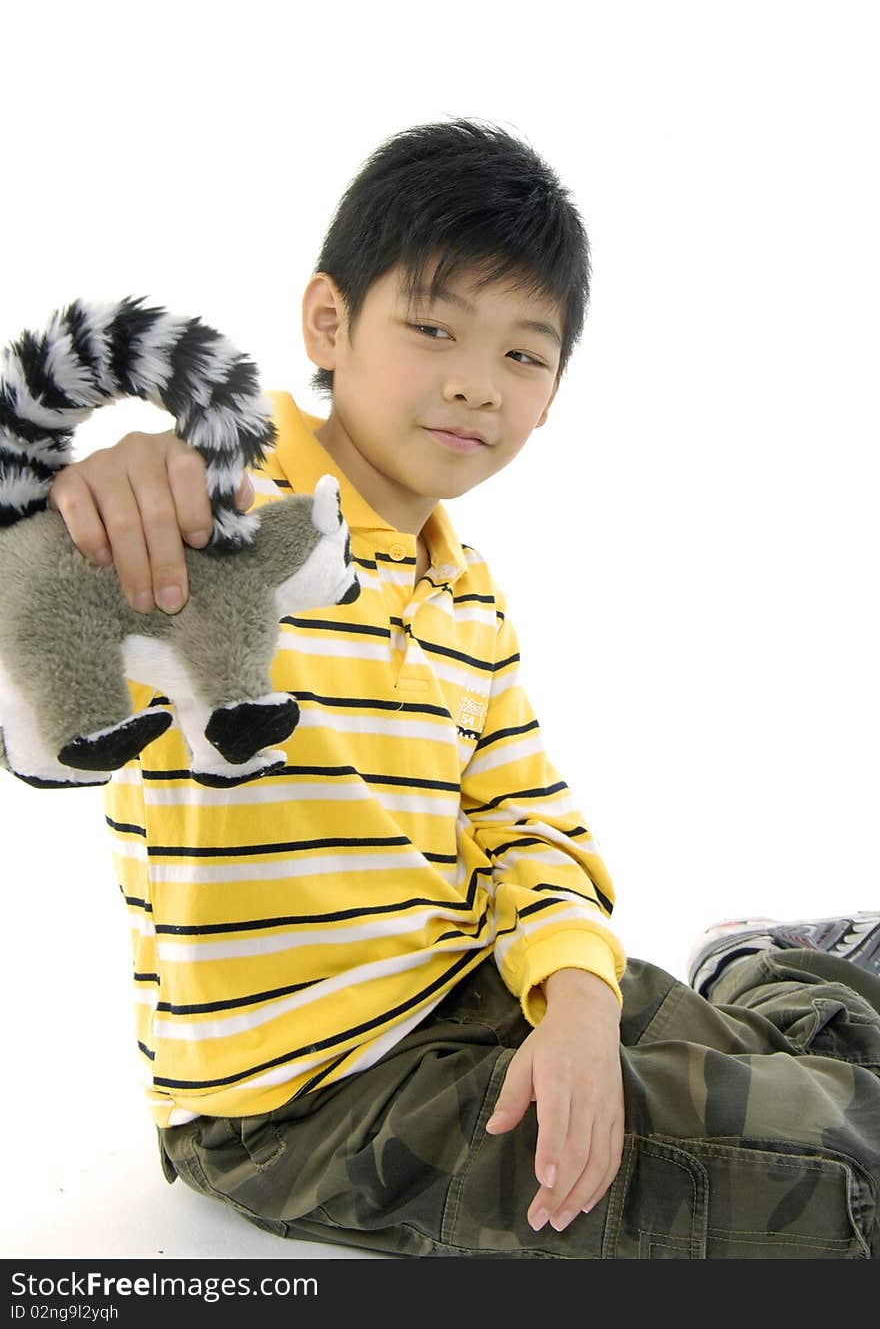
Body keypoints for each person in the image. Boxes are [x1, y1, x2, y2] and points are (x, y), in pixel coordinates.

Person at [47, 118, 880, 1260]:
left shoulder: (466, 591)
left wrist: (577, 997)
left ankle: (769, 972)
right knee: (844, 1182)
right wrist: (91, 493)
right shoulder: (206, 514)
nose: (475, 385)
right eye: (433, 328)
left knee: (820, 1053)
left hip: (480, 979)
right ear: (328, 322)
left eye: (522, 356)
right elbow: (50, 638)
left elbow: (520, 813)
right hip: (308, 1103)